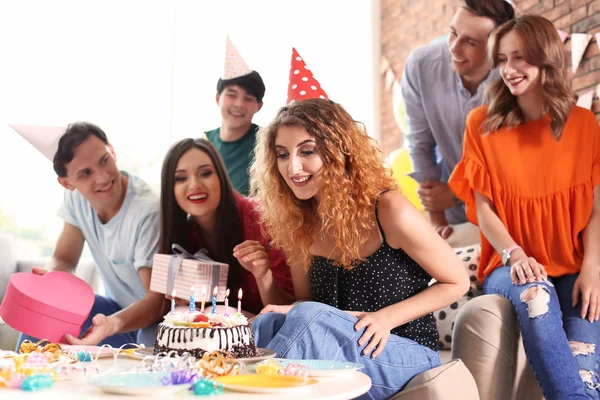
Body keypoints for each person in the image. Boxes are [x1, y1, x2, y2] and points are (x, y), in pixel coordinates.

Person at [250, 99, 469, 400]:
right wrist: (263, 276)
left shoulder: (388, 210)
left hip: (404, 350)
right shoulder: (297, 224)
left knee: (304, 317)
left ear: (338, 152)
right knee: (266, 323)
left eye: (307, 151)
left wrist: (385, 318)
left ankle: (248, 392)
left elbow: (457, 281)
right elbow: (307, 305)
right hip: (337, 348)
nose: (293, 167)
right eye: (282, 155)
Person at [448, 15, 600, 399]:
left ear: (545, 57)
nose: (510, 70)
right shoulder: (481, 124)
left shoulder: (584, 125)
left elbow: (597, 209)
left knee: (584, 370)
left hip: (573, 266)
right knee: (536, 295)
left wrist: (594, 269)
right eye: (502, 59)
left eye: (520, 58)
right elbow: (484, 209)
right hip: (509, 265)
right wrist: (514, 255)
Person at [15, 122, 165, 349]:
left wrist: (111, 325)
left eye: (104, 160)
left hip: (151, 325)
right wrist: (52, 280)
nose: (103, 178)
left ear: (112, 151)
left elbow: (156, 303)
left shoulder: (148, 212)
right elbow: (64, 259)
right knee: (44, 306)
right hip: (115, 313)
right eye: (86, 173)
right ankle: (21, 377)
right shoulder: (77, 199)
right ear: (67, 183)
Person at [401, 0, 514, 239]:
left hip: (508, 213)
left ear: (496, 49)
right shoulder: (421, 66)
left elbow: (516, 167)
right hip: (452, 213)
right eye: (453, 33)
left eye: (470, 42)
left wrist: (457, 194)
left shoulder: (513, 76)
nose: (453, 47)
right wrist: (437, 220)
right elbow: (420, 143)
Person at [159, 138, 294, 315]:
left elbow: (290, 311)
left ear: (221, 177)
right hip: (220, 335)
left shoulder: (264, 220)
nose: (194, 185)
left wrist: (264, 276)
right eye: (181, 178)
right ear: (170, 189)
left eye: (205, 173)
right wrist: (191, 301)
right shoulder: (185, 236)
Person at [205, 38, 265, 196]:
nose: (239, 104)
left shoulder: (267, 143)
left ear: (259, 106)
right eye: (232, 95)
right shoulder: (204, 142)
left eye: (248, 98)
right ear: (218, 98)